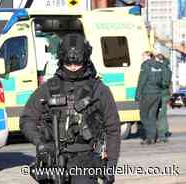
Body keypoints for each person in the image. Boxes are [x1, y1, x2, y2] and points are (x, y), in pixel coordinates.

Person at [20, 33, 121, 184]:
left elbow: (113, 129)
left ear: (85, 60)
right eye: (69, 63)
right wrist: (40, 143)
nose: (73, 67)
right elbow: (27, 120)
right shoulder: (47, 89)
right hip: (53, 159)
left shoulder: (99, 90)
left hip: (86, 160)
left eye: (77, 63)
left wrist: (111, 166)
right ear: (61, 60)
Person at [135, 51, 164, 145]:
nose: (142, 58)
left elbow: (142, 80)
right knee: (152, 115)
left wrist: (137, 95)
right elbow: (164, 80)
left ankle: (150, 137)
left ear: (148, 56)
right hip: (157, 94)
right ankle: (153, 137)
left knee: (143, 115)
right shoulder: (159, 65)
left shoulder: (145, 65)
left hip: (147, 93)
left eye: (143, 56)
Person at [155, 53, 172, 143]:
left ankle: (162, 136)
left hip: (163, 95)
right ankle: (164, 133)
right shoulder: (163, 68)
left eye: (156, 60)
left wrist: (156, 83)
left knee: (161, 116)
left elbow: (165, 83)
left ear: (160, 60)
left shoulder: (165, 69)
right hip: (162, 94)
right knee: (162, 115)